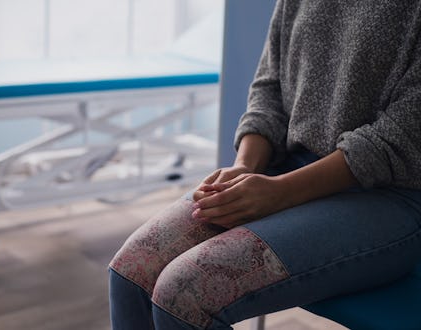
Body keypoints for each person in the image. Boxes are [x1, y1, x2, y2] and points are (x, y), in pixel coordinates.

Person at [108, 1, 421, 329]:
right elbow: (270, 86)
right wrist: (246, 166)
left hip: (385, 194)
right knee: (131, 274)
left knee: (183, 295)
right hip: (284, 167)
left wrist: (279, 193)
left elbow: (403, 133)